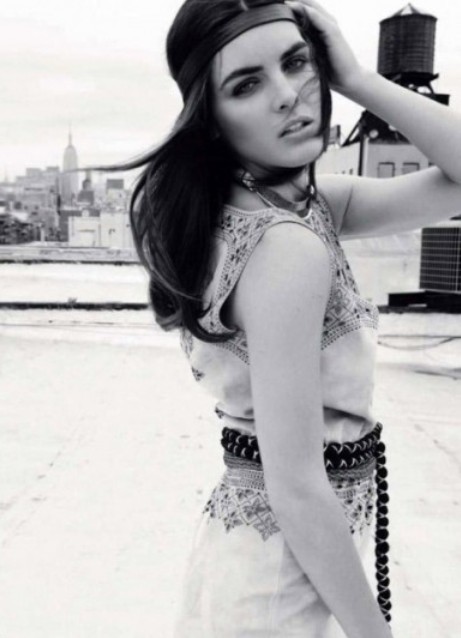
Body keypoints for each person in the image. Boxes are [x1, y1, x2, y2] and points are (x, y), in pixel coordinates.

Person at [94, 0, 461, 635]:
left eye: (296, 63)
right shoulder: (285, 246)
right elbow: (296, 487)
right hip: (280, 584)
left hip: (263, 561)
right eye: (247, 85)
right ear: (211, 119)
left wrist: (358, 78)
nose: (289, 94)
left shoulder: (292, 208)